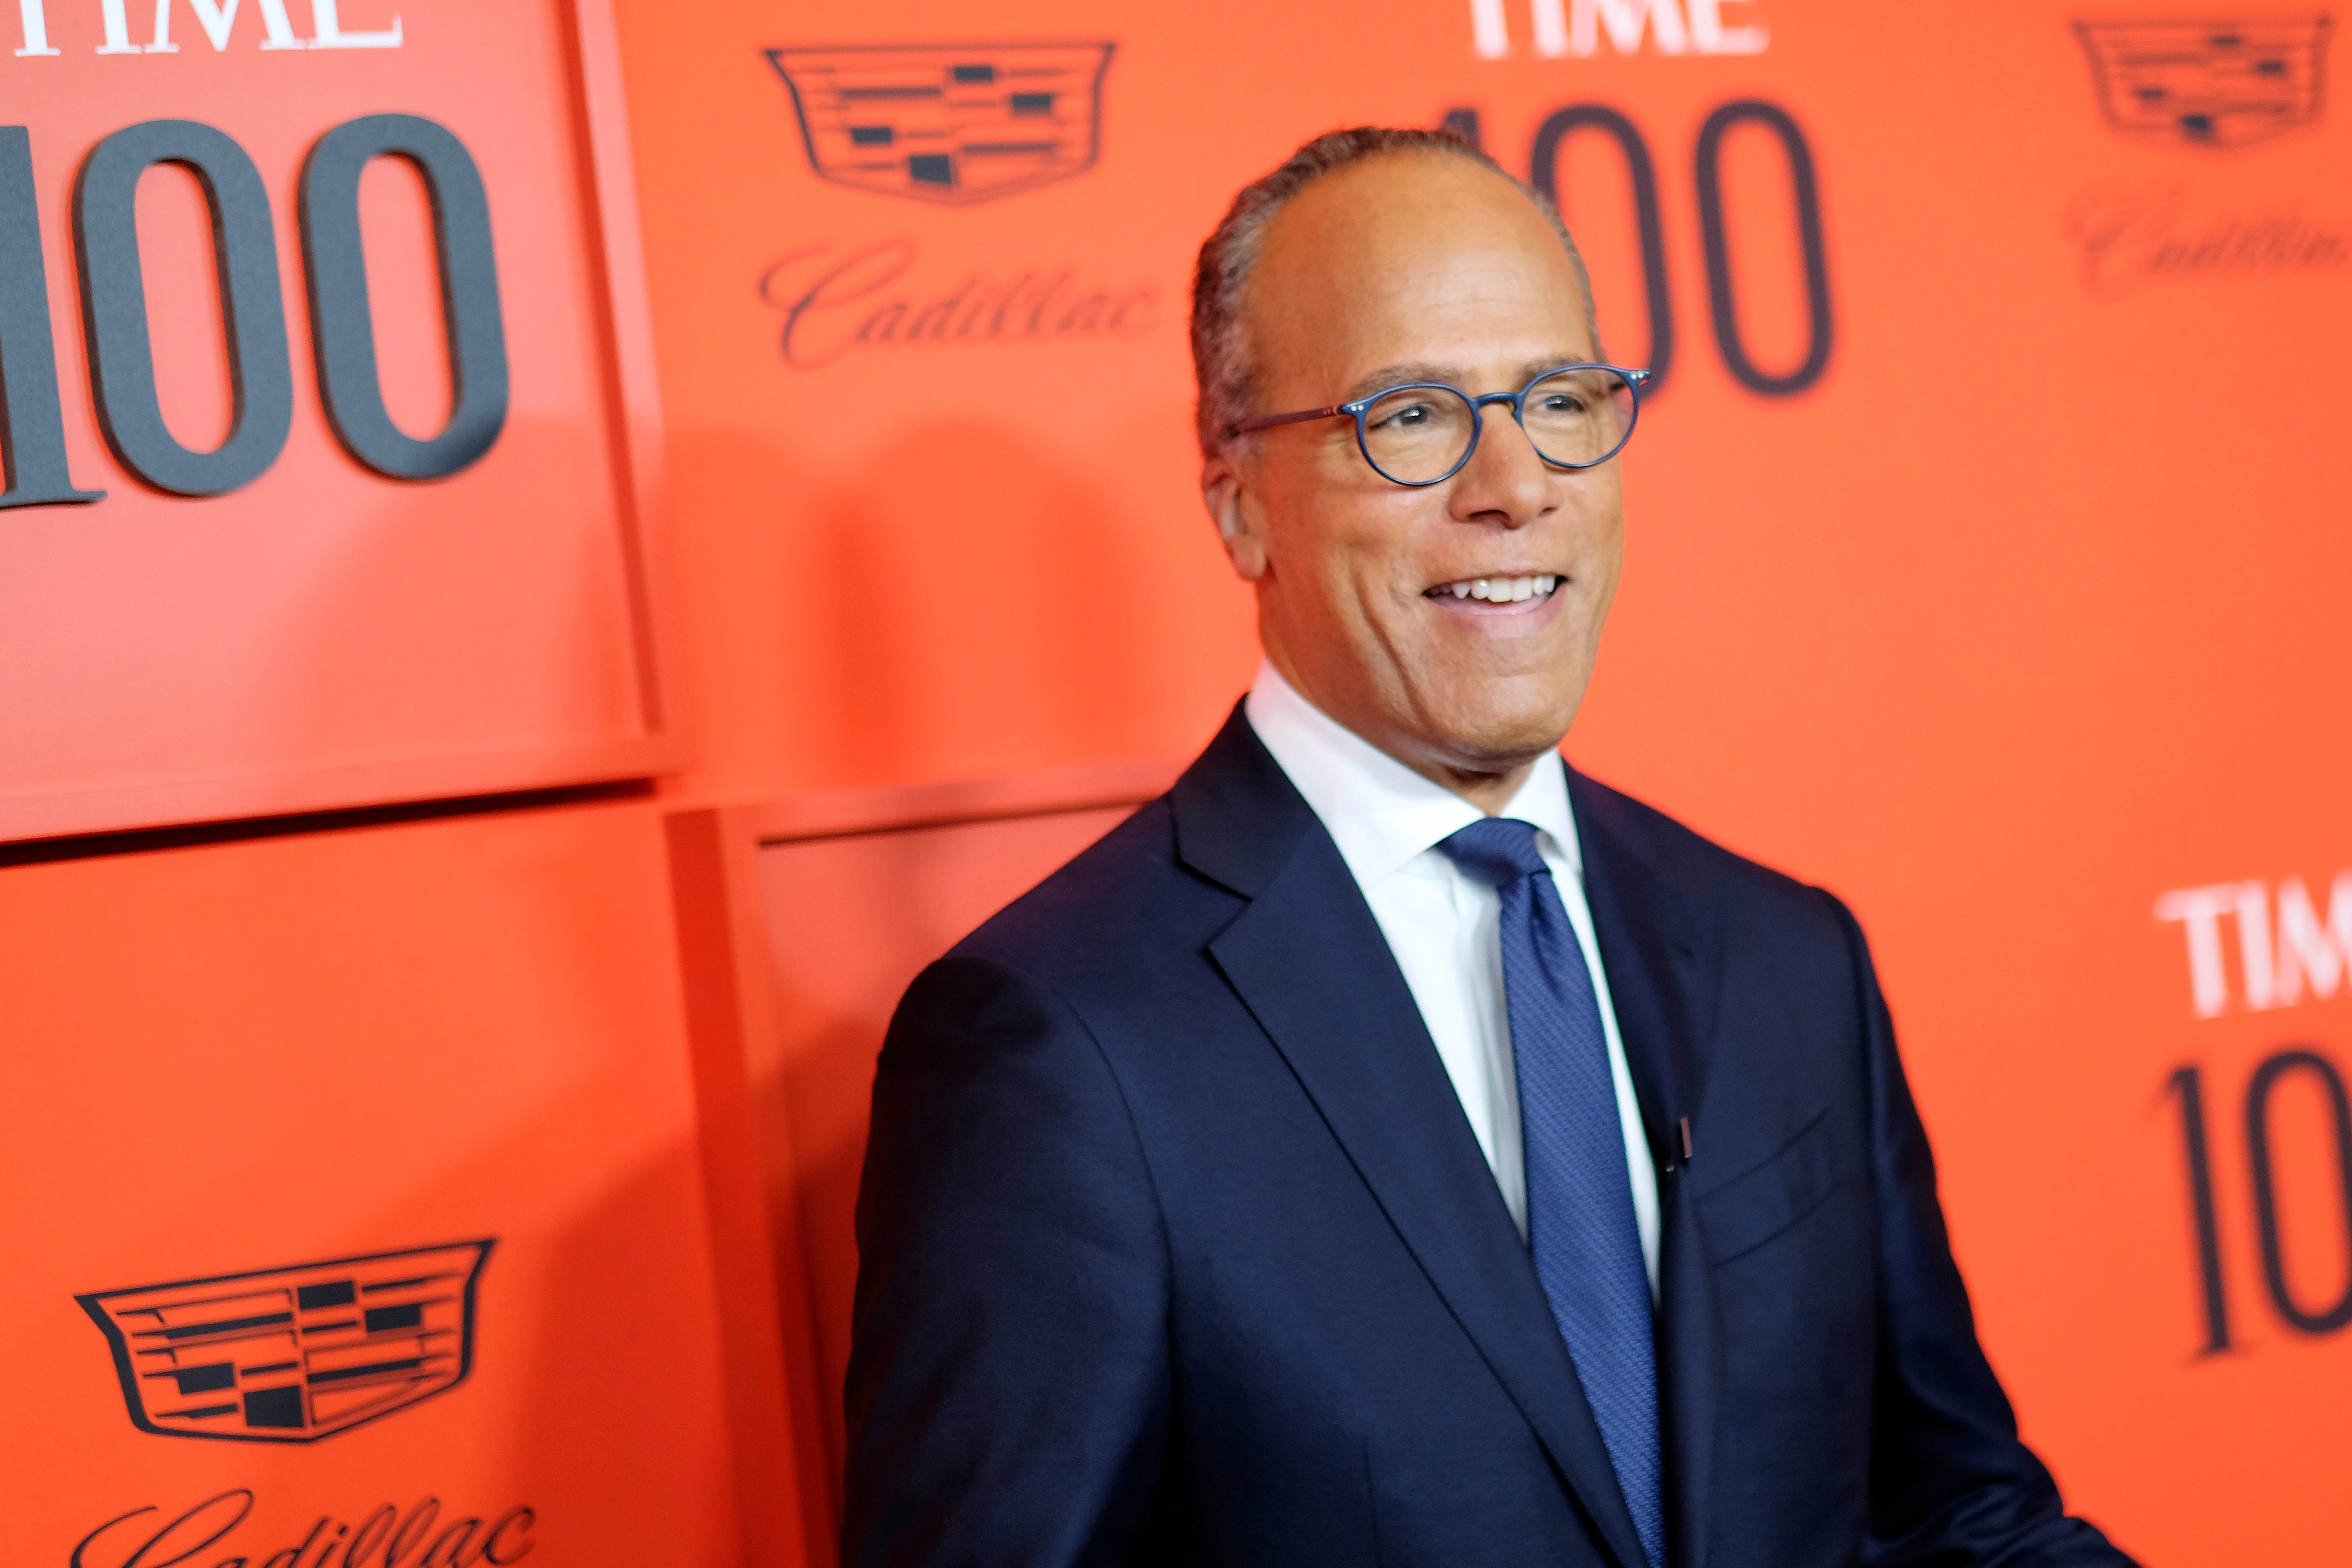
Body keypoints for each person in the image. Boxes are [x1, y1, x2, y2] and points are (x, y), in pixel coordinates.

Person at [842, 127, 2136, 1568]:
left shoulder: (1787, 955)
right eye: (1409, 416)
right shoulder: (1058, 1049)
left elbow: (1956, 1512)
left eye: (1562, 399)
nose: (1515, 484)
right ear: (1237, 506)